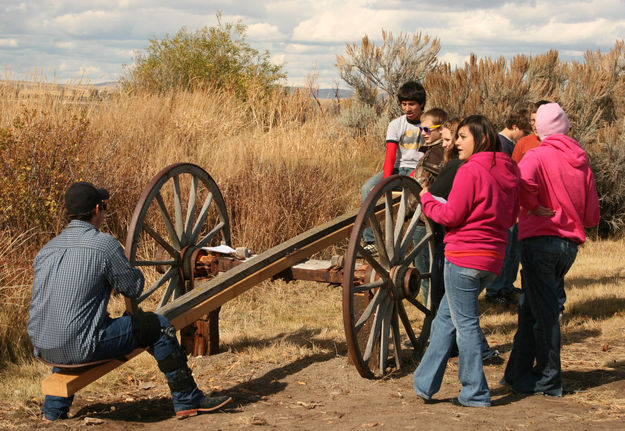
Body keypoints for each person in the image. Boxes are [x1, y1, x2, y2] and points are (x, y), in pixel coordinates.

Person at [27, 181, 231, 421]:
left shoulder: (47, 249)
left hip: (43, 346)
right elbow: (133, 287)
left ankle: (53, 412)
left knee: (71, 328)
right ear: (96, 210)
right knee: (159, 326)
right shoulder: (104, 244)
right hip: (81, 346)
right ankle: (189, 399)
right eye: (103, 207)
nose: (104, 211)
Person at [412, 115, 520, 407]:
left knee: (466, 325)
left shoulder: (470, 171)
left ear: (481, 140)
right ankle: (424, 383)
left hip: (464, 255)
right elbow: (512, 217)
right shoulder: (509, 170)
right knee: (446, 318)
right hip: (493, 258)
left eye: (462, 137)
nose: (457, 143)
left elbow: (450, 216)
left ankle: (475, 392)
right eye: (456, 137)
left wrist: (426, 198)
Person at [502, 103, 600, 397]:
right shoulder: (581, 162)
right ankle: (516, 373)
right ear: (566, 127)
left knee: (543, 312)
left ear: (541, 129)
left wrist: (533, 207)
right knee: (529, 308)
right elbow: (593, 215)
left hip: (540, 240)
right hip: (568, 246)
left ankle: (548, 379)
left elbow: (520, 184)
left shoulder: (537, 155)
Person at [488, 101, 552, 307]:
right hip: (517, 206)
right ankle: (497, 288)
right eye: (531, 122)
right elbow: (512, 174)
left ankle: (507, 285)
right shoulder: (519, 144)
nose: (533, 126)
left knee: (516, 250)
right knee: (508, 248)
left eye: (536, 121)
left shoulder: (556, 143)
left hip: (540, 208)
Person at [361, 81, 426, 254]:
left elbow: (429, 156)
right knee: (367, 188)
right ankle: (372, 241)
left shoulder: (428, 124)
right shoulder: (396, 124)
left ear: (421, 104)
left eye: (411, 104)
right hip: (398, 169)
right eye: (404, 104)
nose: (407, 108)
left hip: (419, 171)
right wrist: (386, 182)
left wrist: (413, 176)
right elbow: (390, 155)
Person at [411, 108, 448, 305]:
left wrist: (407, 211)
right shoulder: (436, 151)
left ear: (441, 129)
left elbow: (420, 187)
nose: (423, 132)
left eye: (427, 128)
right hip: (433, 215)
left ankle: (431, 313)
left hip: (424, 218)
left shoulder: (435, 154)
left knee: (425, 270)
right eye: (421, 128)